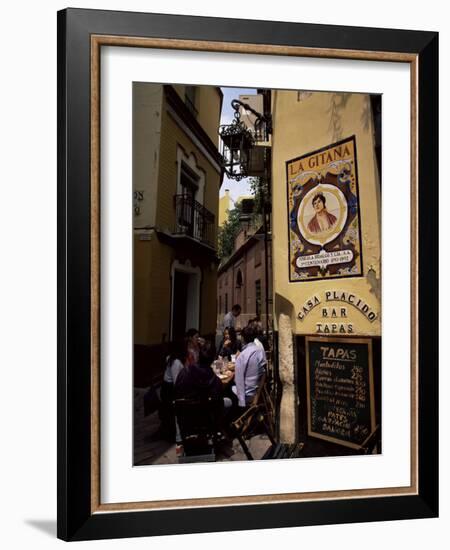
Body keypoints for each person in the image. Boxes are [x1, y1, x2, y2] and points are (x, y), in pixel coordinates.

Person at [157, 340, 187, 441]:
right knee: (173, 412)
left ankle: (169, 431)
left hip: (166, 388)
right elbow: (176, 381)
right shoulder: (176, 362)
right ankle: (172, 434)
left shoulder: (171, 358)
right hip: (169, 390)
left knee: (169, 412)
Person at [232, 325, 267, 408]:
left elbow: (239, 381)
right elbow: (264, 373)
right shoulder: (259, 351)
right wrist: (257, 394)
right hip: (256, 392)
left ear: (243, 338)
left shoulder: (243, 355)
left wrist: (242, 403)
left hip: (246, 395)